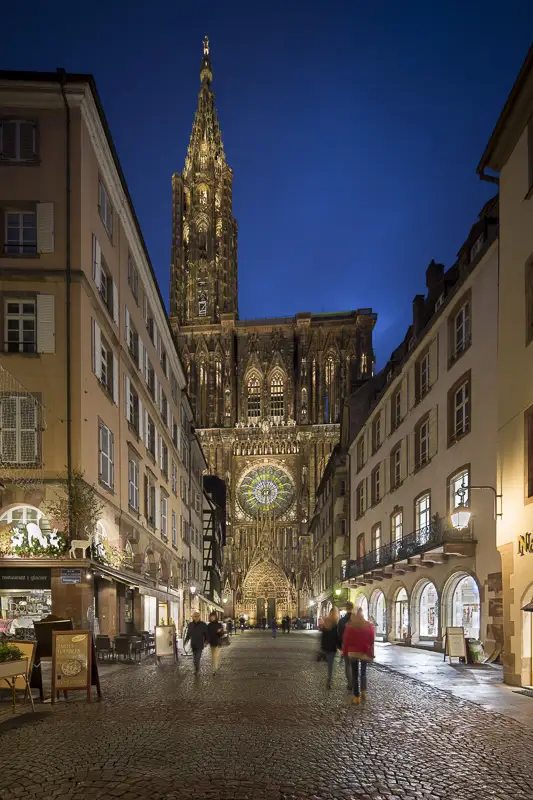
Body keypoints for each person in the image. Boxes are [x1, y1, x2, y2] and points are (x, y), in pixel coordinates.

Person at [342, 608, 375, 704]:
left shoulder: (350, 626)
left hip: (353, 653)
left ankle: (357, 697)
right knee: (363, 672)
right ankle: (364, 691)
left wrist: (344, 652)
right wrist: (369, 646)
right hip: (364, 651)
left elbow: (346, 641)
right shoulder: (368, 624)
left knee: (355, 674)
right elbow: (372, 638)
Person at [320, 608, 339, 689]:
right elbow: (337, 636)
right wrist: (339, 646)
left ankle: (329, 679)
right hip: (332, 646)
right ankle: (329, 679)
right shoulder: (335, 623)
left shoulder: (326, 621)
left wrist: (322, 646)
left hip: (327, 646)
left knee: (330, 664)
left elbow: (323, 636)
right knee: (330, 665)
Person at [184, 611, 208, 675]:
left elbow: (206, 634)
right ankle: (196, 668)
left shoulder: (203, 624)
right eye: (194, 616)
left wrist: (206, 641)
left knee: (197, 658)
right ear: (193, 617)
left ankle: (197, 670)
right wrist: (185, 641)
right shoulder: (190, 625)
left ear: (199, 617)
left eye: (197, 616)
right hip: (193, 644)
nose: (196, 618)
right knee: (194, 659)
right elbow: (188, 634)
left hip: (200, 644)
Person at [337, 601, 354, 690]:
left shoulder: (342, 621)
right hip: (356, 646)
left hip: (346, 645)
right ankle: (354, 681)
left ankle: (349, 682)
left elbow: (339, 635)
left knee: (348, 664)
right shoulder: (357, 619)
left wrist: (340, 646)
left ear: (346, 608)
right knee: (354, 664)